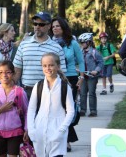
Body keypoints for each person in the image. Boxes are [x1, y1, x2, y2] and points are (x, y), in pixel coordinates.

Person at [27, 52, 75, 157]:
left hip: (57, 130)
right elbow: (31, 109)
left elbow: (71, 111)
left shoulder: (65, 87)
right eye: (44, 65)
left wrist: (61, 130)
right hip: (39, 130)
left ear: (58, 66)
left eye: (51, 65)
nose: (48, 68)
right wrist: (31, 130)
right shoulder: (38, 86)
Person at [13, 11, 67, 99]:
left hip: (48, 92)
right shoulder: (23, 45)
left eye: (41, 24)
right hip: (26, 93)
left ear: (49, 26)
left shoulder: (57, 48)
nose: (37, 27)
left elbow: (62, 73)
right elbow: (16, 70)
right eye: (35, 24)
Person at [50, 17, 85, 152]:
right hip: (54, 78)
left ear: (63, 27)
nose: (55, 28)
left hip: (70, 78)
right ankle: (62, 138)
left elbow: (81, 61)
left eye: (57, 26)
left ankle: (67, 140)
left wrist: (81, 77)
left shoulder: (73, 43)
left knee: (67, 109)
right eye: (53, 26)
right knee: (57, 109)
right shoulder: (50, 43)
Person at [0, 60, 29, 157]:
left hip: (15, 132)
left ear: (13, 74)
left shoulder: (20, 92)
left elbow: (27, 113)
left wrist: (26, 129)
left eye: (8, 72)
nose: (4, 75)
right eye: (0, 72)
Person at [78, 33, 104, 117]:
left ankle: (93, 111)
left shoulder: (94, 52)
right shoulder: (80, 52)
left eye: (83, 42)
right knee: (82, 93)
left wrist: (96, 71)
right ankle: (82, 110)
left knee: (92, 93)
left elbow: (101, 62)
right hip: (83, 75)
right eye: (81, 43)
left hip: (92, 76)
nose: (82, 44)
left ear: (89, 42)